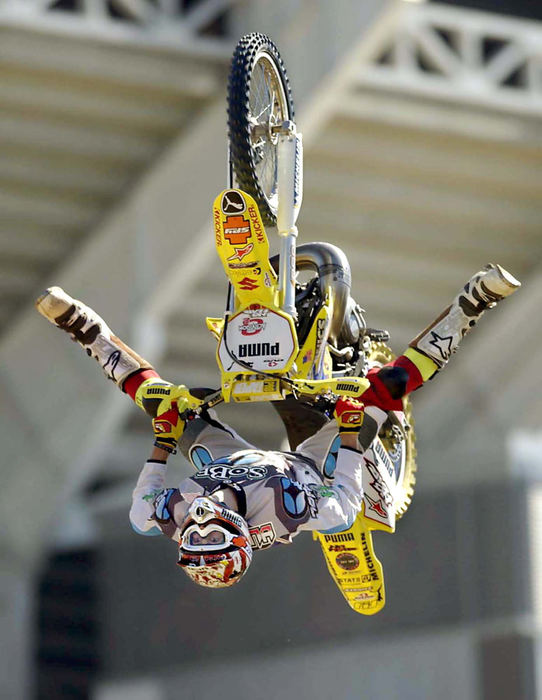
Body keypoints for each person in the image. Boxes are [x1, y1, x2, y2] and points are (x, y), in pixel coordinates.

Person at [36, 264, 520, 588]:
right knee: (388, 388)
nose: (198, 527)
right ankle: (472, 305)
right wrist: (350, 433)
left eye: (192, 541)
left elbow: (143, 503)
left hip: (229, 457)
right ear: (239, 536)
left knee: (159, 400)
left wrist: (164, 439)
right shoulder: (288, 510)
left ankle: (85, 330)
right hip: (313, 469)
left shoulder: (163, 515)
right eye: (212, 539)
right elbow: (341, 507)